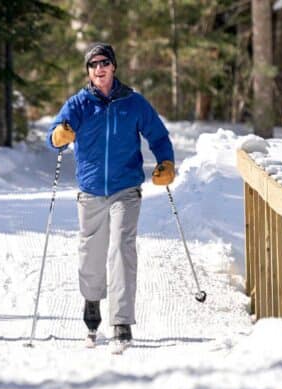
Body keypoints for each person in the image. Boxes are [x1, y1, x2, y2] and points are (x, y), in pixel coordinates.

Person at [45, 42, 176, 352]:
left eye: (104, 62)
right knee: (91, 253)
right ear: (88, 71)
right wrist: (59, 135)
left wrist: (166, 163)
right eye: (93, 65)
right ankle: (92, 304)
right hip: (90, 191)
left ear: (114, 66)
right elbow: (54, 136)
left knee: (121, 248)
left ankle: (121, 322)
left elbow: (158, 135)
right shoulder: (79, 104)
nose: (99, 68)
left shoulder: (133, 103)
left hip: (125, 189)